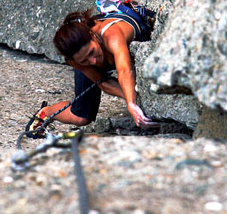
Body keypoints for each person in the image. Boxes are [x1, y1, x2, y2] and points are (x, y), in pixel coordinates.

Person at [27, 8, 157, 137]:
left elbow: (124, 69)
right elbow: (103, 82)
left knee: (133, 99)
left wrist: (132, 102)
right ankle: (46, 113)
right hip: (96, 58)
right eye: (85, 60)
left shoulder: (112, 35)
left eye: (92, 52)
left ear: (93, 36)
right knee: (81, 117)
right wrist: (134, 101)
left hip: (118, 46)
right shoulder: (77, 59)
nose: (93, 61)